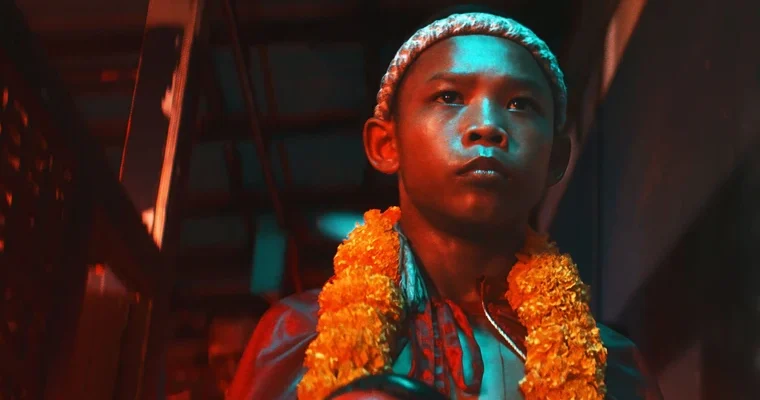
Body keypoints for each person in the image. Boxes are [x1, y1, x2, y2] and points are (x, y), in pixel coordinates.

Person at [228, 10, 663, 400]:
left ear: (555, 159)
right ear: (386, 144)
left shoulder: (615, 370)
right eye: (449, 97)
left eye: (520, 104)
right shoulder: (297, 337)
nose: (487, 126)